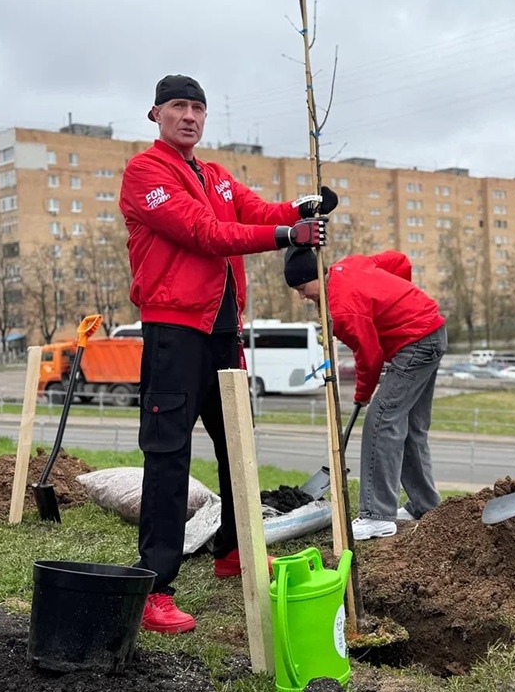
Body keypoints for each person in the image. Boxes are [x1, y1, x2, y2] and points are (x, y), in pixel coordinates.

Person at [118, 74, 334, 634]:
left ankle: (234, 550)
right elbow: (204, 233)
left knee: (238, 444)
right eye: (178, 107)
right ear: (156, 115)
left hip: (223, 332)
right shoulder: (147, 173)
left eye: (197, 108)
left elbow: (258, 210)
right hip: (174, 331)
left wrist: (305, 206)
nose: (189, 116)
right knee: (169, 457)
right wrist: (291, 234)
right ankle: (154, 588)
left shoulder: (213, 175)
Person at [284, 247, 446, 540]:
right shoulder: (350, 265)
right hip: (430, 330)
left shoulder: (342, 308)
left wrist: (362, 395)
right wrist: (402, 298)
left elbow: (369, 356)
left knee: (381, 422)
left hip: (416, 342)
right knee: (409, 426)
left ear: (316, 277)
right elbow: (400, 260)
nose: (301, 296)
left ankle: (376, 516)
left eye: (301, 288)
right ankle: (425, 505)